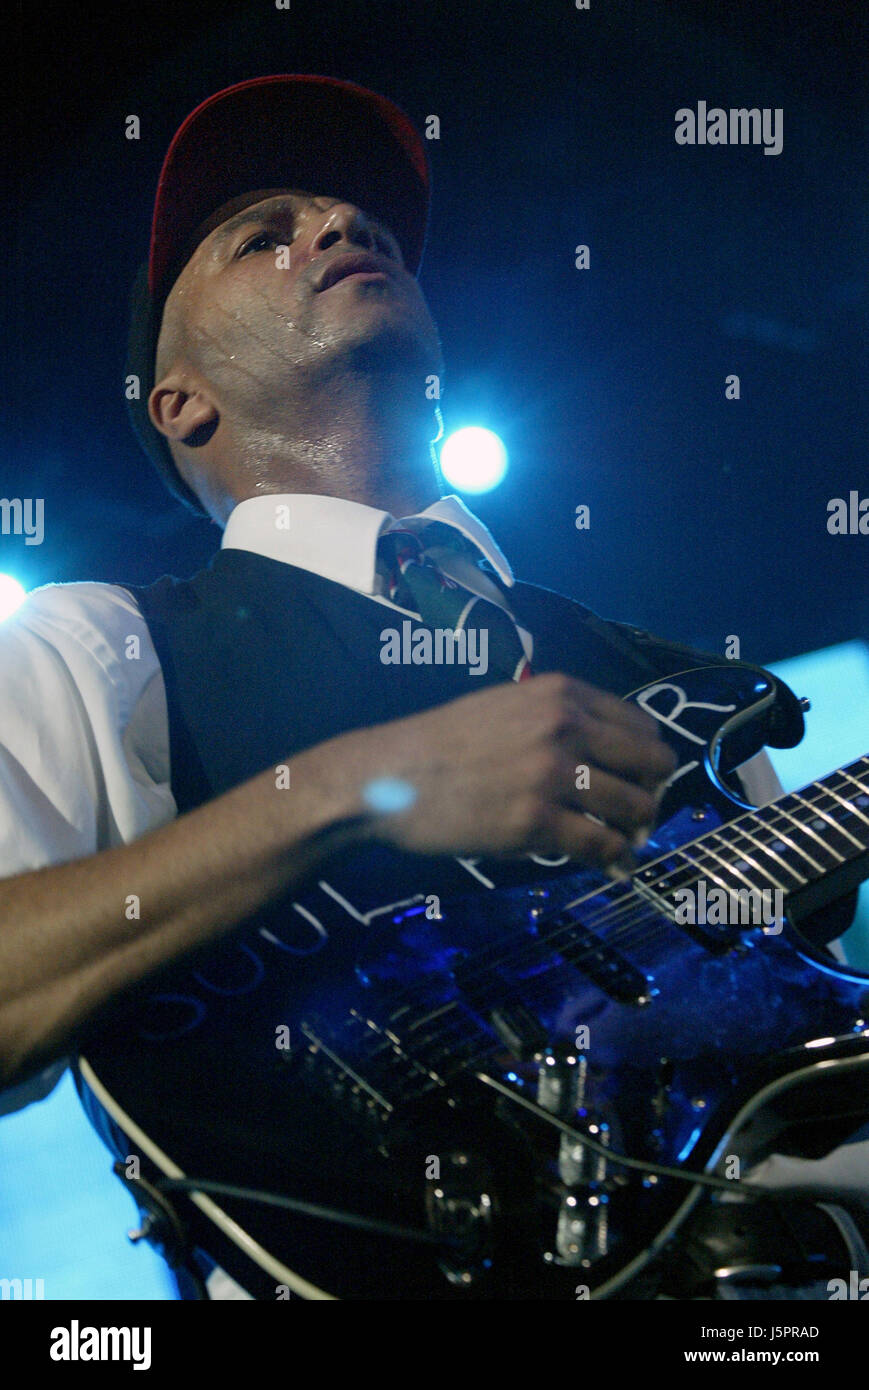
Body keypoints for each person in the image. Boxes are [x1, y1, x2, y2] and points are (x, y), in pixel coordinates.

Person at [0, 76, 864, 1301]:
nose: (342, 229)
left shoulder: (682, 686)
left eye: (370, 226)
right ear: (178, 399)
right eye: (264, 233)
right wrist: (355, 789)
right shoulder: (95, 646)